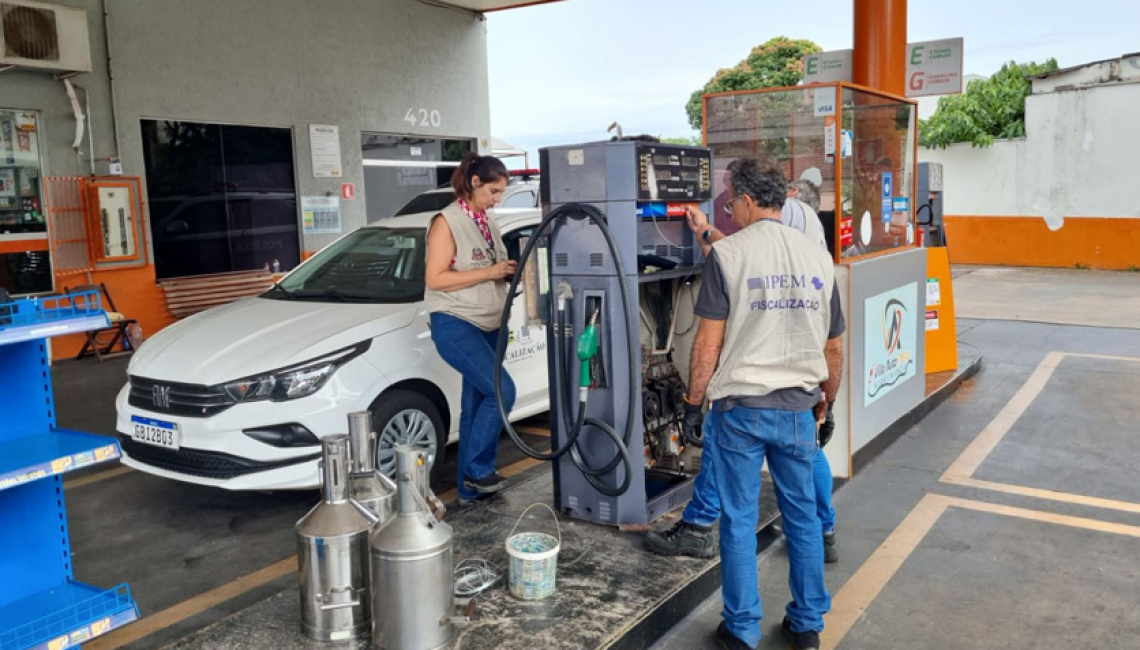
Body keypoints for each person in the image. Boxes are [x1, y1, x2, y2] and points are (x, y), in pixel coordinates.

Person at [650, 157, 845, 650]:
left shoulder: (729, 257)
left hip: (738, 411)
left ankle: (741, 630)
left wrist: (693, 404)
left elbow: (707, 344)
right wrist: (828, 402)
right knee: (801, 517)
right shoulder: (819, 257)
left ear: (750, 199)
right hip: (799, 406)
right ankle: (807, 625)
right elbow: (834, 347)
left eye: (731, 200)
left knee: (737, 520)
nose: (729, 208)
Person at [424, 153, 517, 506]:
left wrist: (504, 269)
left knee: (476, 403)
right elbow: (435, 278)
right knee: (502, 392)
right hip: (456, 321)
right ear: (474, 182)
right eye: (493, 191)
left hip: (490, 321)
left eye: (501, 193)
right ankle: (478, 470)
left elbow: (485, 265)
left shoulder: (486, 220)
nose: (497, 199)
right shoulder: (446, 222)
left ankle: (470, 492)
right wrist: (490, 273)